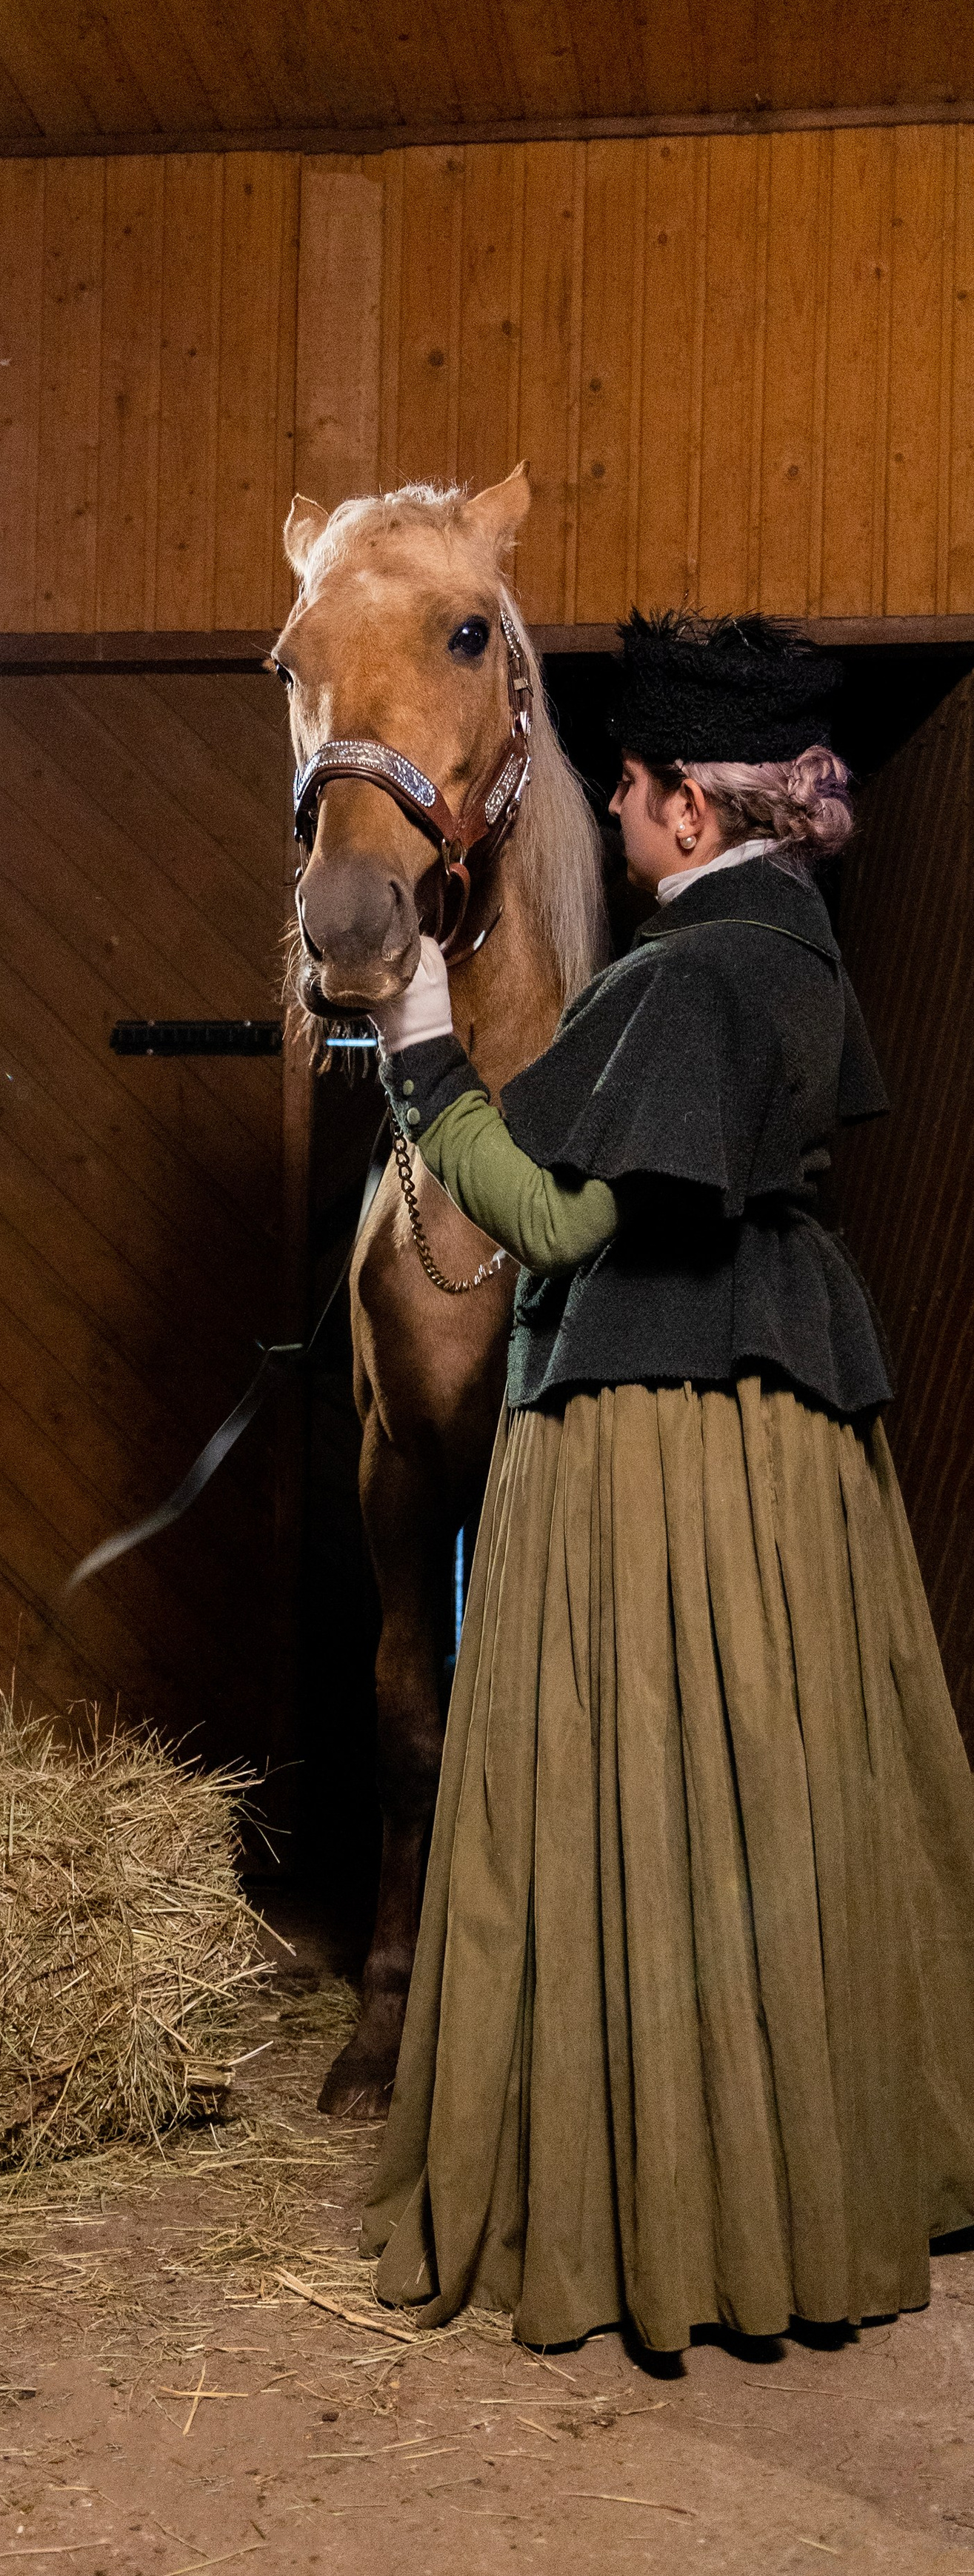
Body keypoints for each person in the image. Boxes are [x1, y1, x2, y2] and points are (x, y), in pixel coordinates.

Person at [357, 610, 974, 2356]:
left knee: (640, 1779)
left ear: (688, 815)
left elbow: (550, 1221)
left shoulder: (685, 975)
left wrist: (415, 1046)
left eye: (622, 800)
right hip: (786, 1421)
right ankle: (798, 2166)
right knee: (778, 1797)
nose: (612, 830)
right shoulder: (796, 951)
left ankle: (671, 2207)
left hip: (651, 1431)